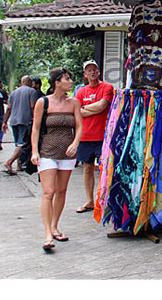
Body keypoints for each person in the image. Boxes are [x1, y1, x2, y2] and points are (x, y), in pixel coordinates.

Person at [30, 67, 82, 252]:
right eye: (66, 79)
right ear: (56, 83)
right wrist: (35, 151)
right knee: (48, 192)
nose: (70, 82)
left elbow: (78, 126)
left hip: (67, 153)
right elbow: (36, 128)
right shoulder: (43, 102)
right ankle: (47, 234)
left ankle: (55, 225)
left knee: (61, 191)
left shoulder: (73, 102)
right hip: (47, 151)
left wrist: (75, 143)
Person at [75, 60, 114, 214]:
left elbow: (103, 106)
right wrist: (90, 109)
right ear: (85, 74)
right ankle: (90, 201)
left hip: (103, 136)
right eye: (89, 70)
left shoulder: (107, 87)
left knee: (106, 169)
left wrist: (84, 108)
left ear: (99, 72)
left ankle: (106, 200)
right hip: (85, 136)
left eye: (94, 69)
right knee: (87, 169)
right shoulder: (80, 92)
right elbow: (77, 111)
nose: (92, 72)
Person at [2, 76, 38, 175]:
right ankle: (9, 162)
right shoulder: (32, 91)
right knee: (23, 143)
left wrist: (4, 122)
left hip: (14, 120)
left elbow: (9, 108)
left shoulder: (14, 92)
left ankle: (19, 165)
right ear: (30, 82)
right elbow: (32, 106)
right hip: (25, 120)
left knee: (18, 143)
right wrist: (36, 118)